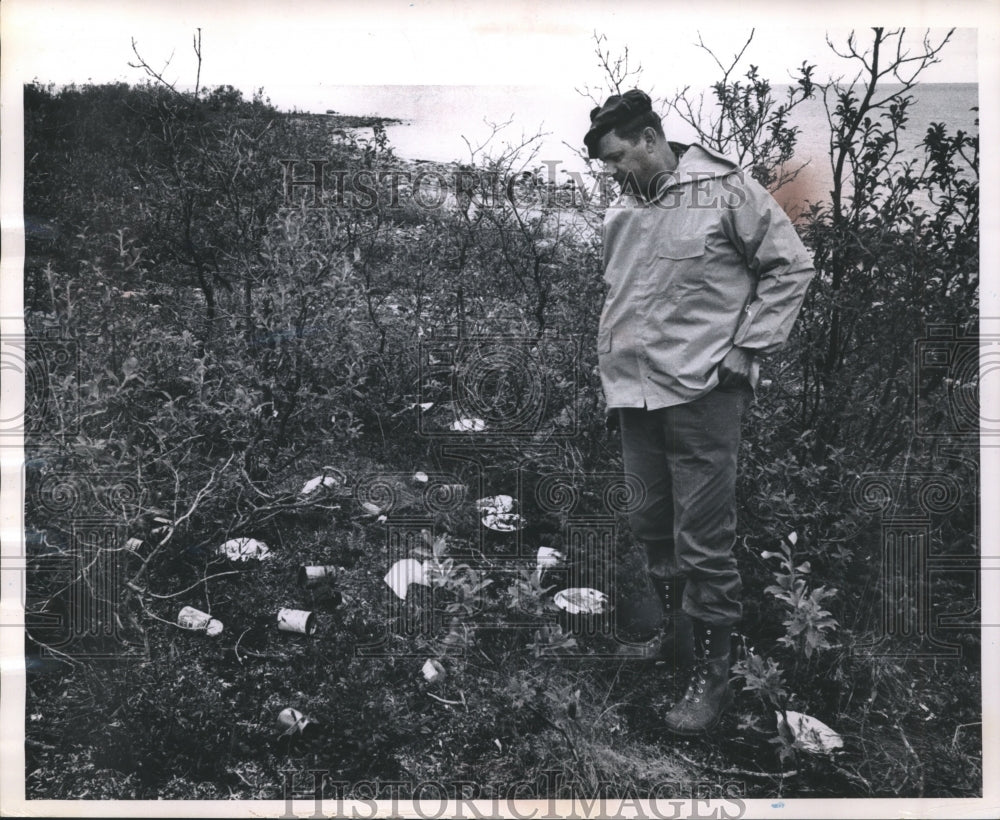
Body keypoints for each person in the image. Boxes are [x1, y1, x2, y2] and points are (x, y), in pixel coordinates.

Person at [584, 90, 815, 735]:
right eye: (607, 167)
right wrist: (615, 381)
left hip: (702, 393)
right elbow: (624, 299)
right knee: (650, 523)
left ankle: (712, 677)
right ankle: (673, 640)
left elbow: (790, 267)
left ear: (652, 137)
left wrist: (750, 347)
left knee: (703, 542)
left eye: (619, 158)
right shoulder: (626, 210)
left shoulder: (726, 190)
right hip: (635, 395)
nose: (614, 174)